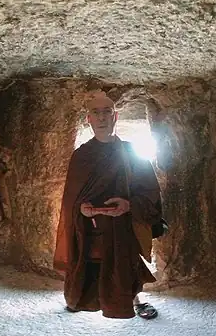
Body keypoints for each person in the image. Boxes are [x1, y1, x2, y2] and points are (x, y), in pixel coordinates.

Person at [54, 91, 163, 319]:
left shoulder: (131, 151)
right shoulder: (81, 155)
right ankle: (81, 299)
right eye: (96, 113)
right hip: (90, 226)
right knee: (90, 265)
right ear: (89, 119)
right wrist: (81, 209)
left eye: (107, 113)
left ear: (115, 118)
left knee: (125, 266)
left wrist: (129, 205)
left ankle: (134, 301)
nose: (102, 118)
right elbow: (71, 200)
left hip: (123, 225)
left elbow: (150, 192)